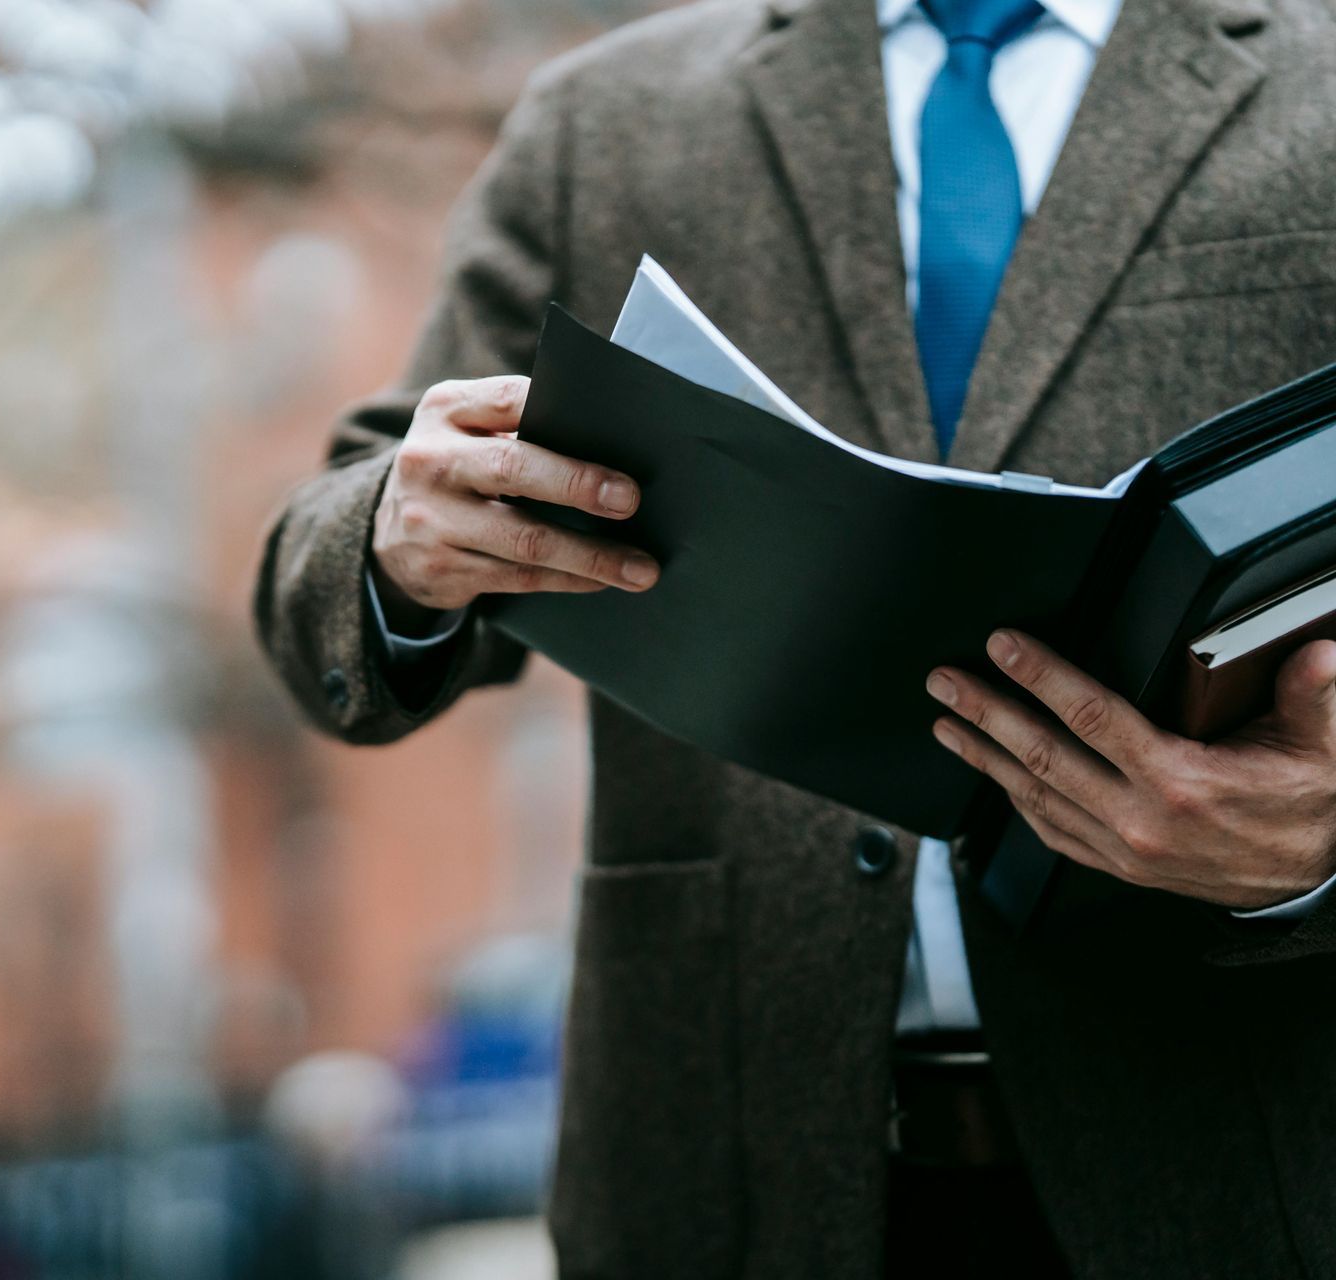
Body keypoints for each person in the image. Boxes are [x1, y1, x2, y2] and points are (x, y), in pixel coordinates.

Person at [252, 0, 1336, 1273]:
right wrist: (394, 534)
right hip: (732, 1170)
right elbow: (340, 536)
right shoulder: (603, 123)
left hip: (1254, 1161)